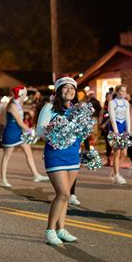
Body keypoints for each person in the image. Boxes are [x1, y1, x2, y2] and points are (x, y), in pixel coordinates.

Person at [36, 77, 81, 245]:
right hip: (55, 154)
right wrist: (53, 130)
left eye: (73, 88)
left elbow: (80, 132)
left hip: (73, 155)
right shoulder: (49, 107)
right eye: (65, 87)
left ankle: (61, 229)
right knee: (63, 193)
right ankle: (50, 230)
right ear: (58, 90)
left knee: (66, 196)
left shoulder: (76, 110)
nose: (69, 90)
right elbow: (40, 131)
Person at [0, 86, 48, 188]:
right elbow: (19, 121)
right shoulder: (13, 105)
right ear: (20, 95)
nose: (26, 95)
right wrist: (30, 130)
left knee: (28, 152)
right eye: (25, 94)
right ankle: (3, 180)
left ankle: (36, 175)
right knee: (7, 157)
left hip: (19, 132)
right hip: (11, 133)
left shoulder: (18, 103)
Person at [108, 85, 131, 185]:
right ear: (117, 92)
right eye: (121, 91)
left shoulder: (126, 103)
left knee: (124, 153)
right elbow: (112, 118)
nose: (123, 93)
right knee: (116, 153)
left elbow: (127, 117)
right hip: (115, 128)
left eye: (125, 91)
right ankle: (117, 174)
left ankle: (114, 172)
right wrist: (116, 131)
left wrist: (128, 130)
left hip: (123, 128)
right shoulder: (112, 103)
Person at [99, 92, 113, 166]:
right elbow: (101, 115)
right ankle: (108, 160)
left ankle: (112, 159)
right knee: (107, 144)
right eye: (107, 97)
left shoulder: (113, 106)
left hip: (111, 127)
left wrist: (105, 124)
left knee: (111, 144)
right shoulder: (105, 106)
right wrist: (100, 124)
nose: (108, 98)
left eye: (110, 97)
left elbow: (112, 117)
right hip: (105, 128)